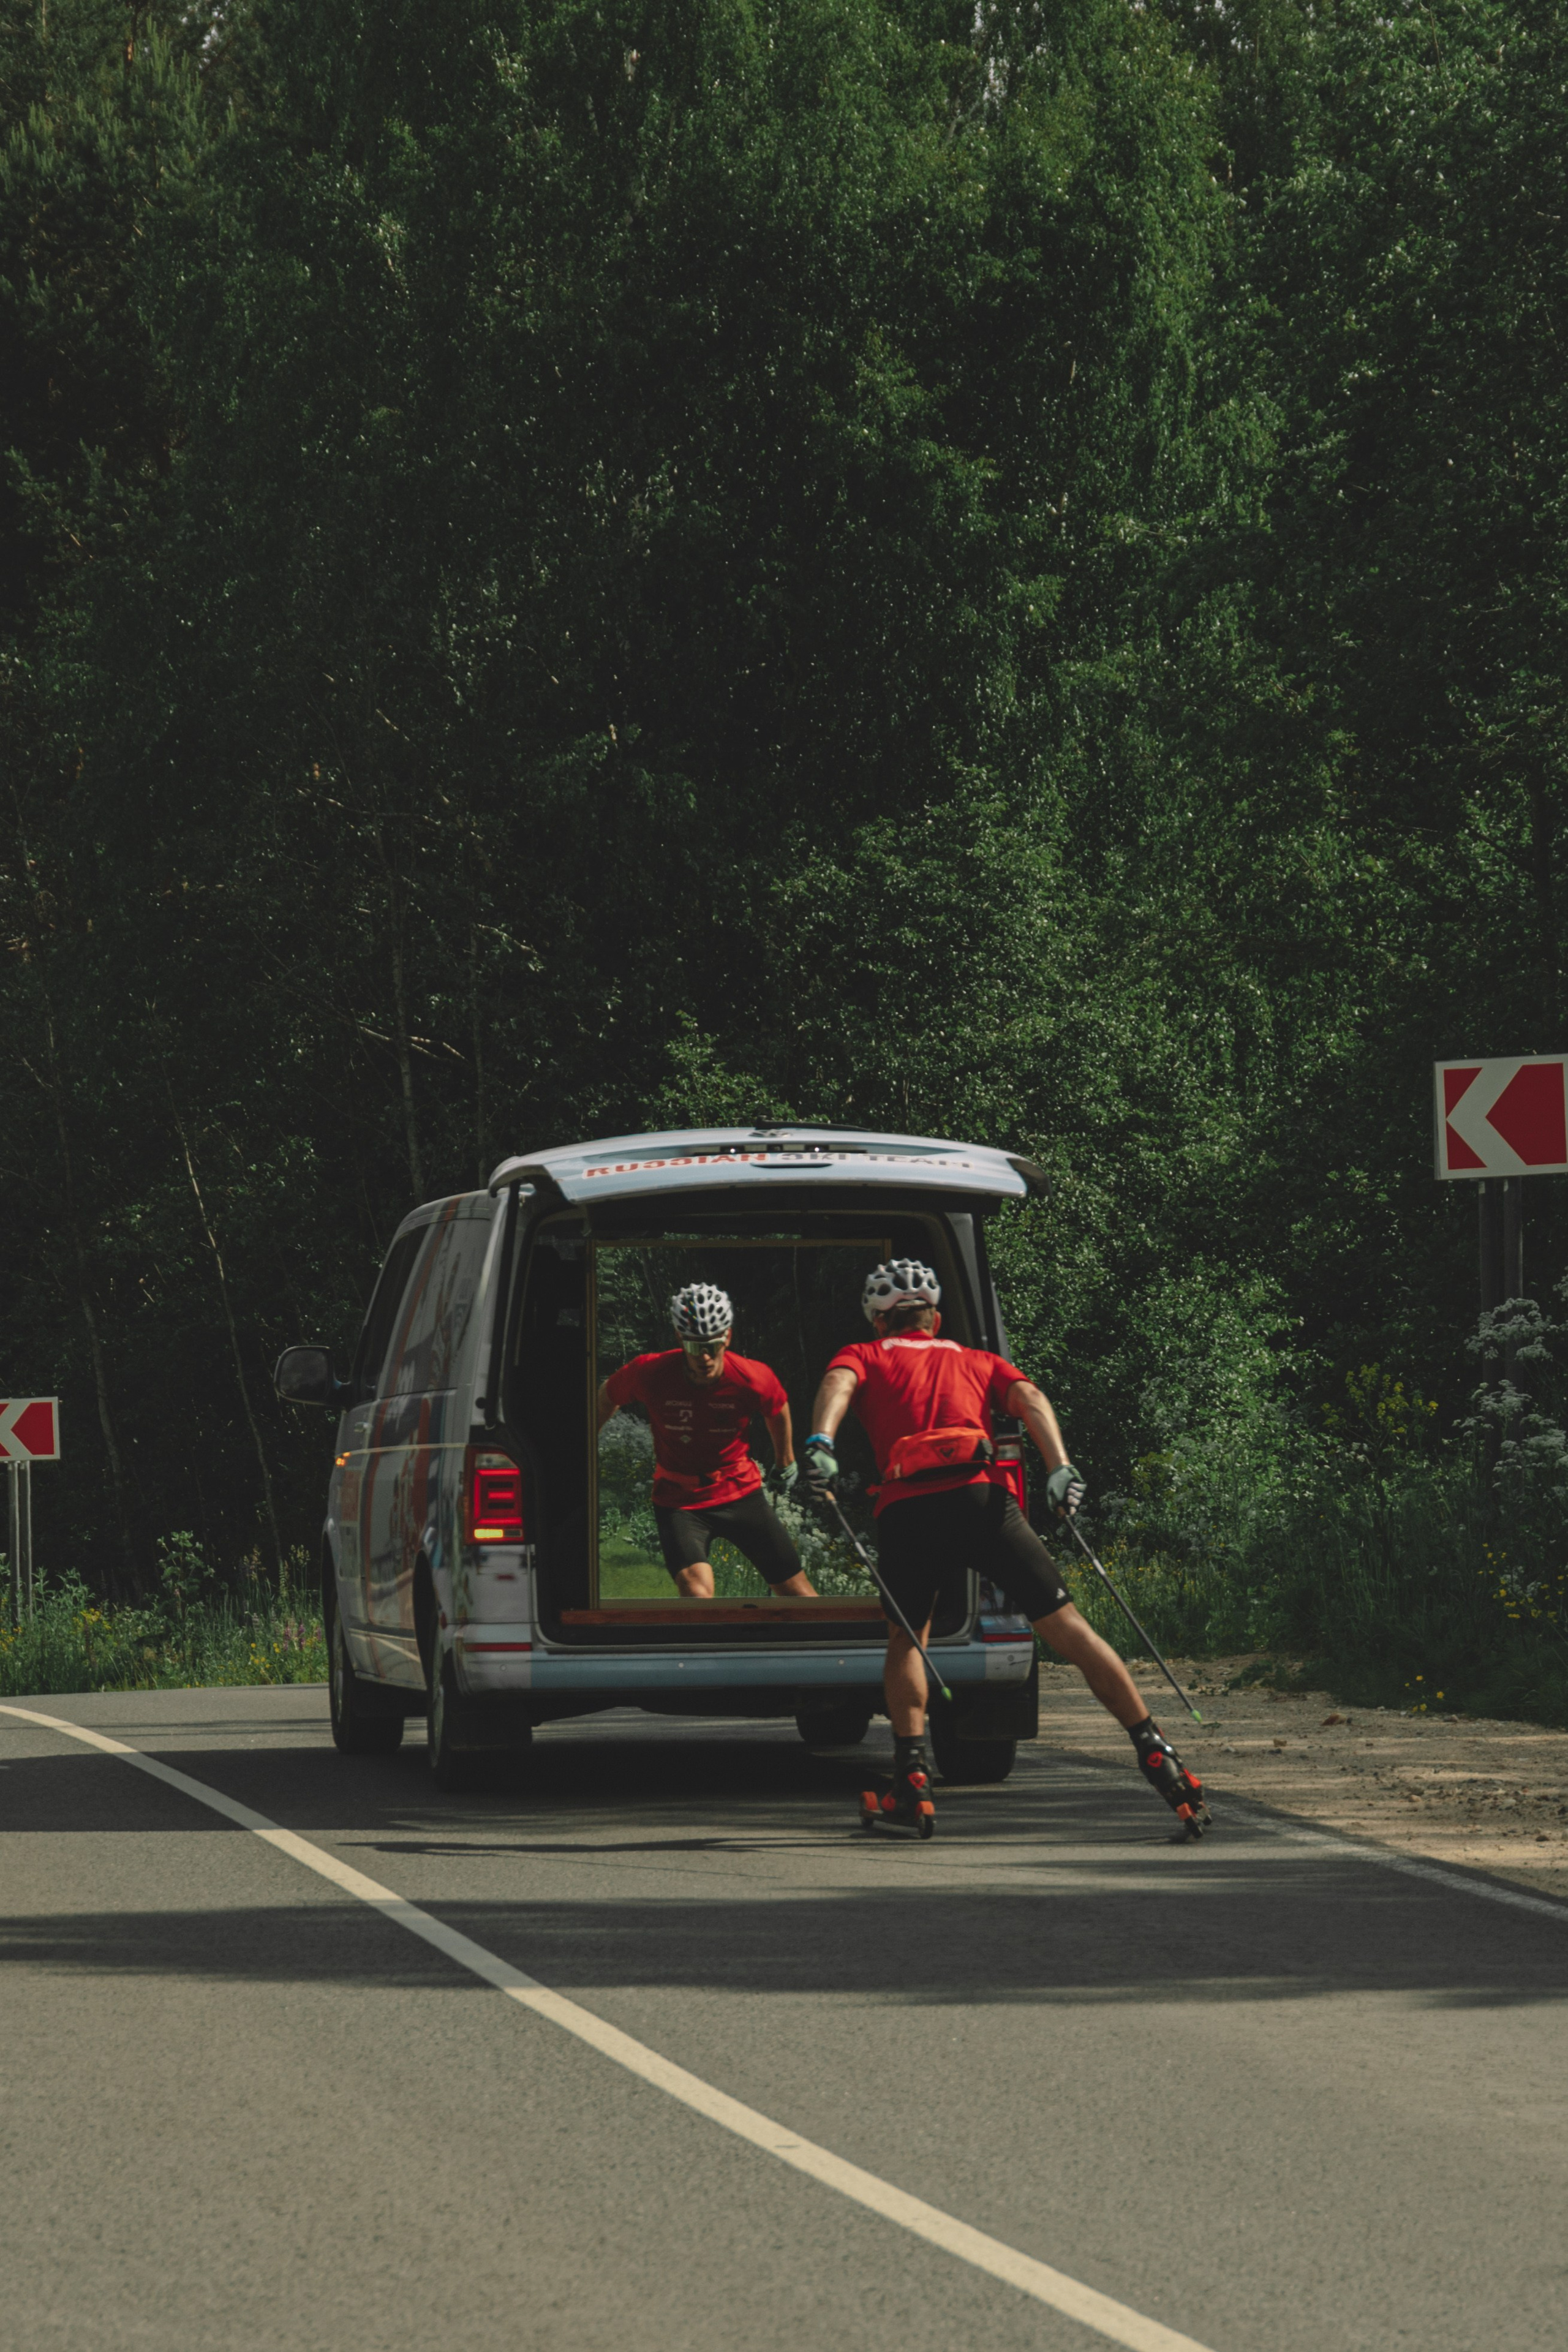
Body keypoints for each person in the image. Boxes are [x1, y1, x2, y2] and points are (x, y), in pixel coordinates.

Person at [802, 1259, 1207, 1835]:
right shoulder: (977, 1359)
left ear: (878, 1321)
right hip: (983, 1502)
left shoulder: (864, 1355)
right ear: (935, 1318)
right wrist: (1060, 1468)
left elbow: (836, 1385)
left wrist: (821, 1442)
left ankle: (912, 1779)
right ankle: (1160, 1757)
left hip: (909, 1508)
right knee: (1070, 1629)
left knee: (908, 1641)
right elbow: (1032, 1398)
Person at [597, 1283, 816, 1600]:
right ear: (679, 1338)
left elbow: (777, 1407)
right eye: (694, 1345)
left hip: (740, 1491)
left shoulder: (751, 1377)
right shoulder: (651, 1372)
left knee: (800, 1596)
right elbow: (607, 1396)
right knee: (697, 1594)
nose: (704, 1357)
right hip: (679, 1501)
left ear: (727, 1337)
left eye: (713, 1345)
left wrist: (786, 1461)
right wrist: (585, 1445)